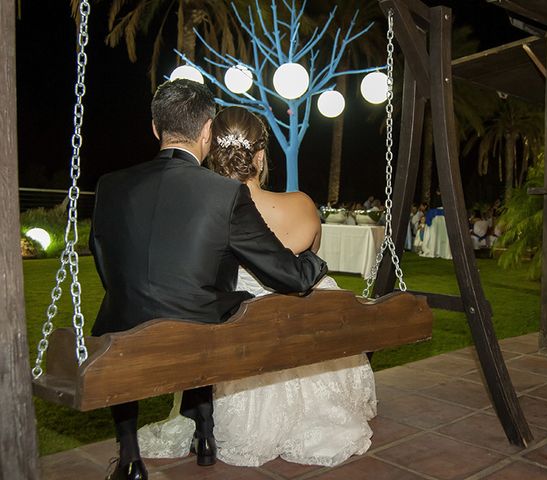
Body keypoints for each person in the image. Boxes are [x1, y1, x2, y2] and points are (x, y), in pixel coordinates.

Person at [90, 82, 327, 480]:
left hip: (120, 326)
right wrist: (314, 261)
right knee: (217, 306)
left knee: (142, 306)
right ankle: (204, 434)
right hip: (197, 330)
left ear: (155, 128)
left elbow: (102, 258)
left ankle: (130, 455)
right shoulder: (225, 193)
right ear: (206, 133)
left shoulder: (110, 184)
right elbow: (288, 276)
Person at [137, 107, 377, 467]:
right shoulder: (300, 204)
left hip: (236, 341)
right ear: (261, 155)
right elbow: (309, 258)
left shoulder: (204, 210)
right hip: (301, 336)